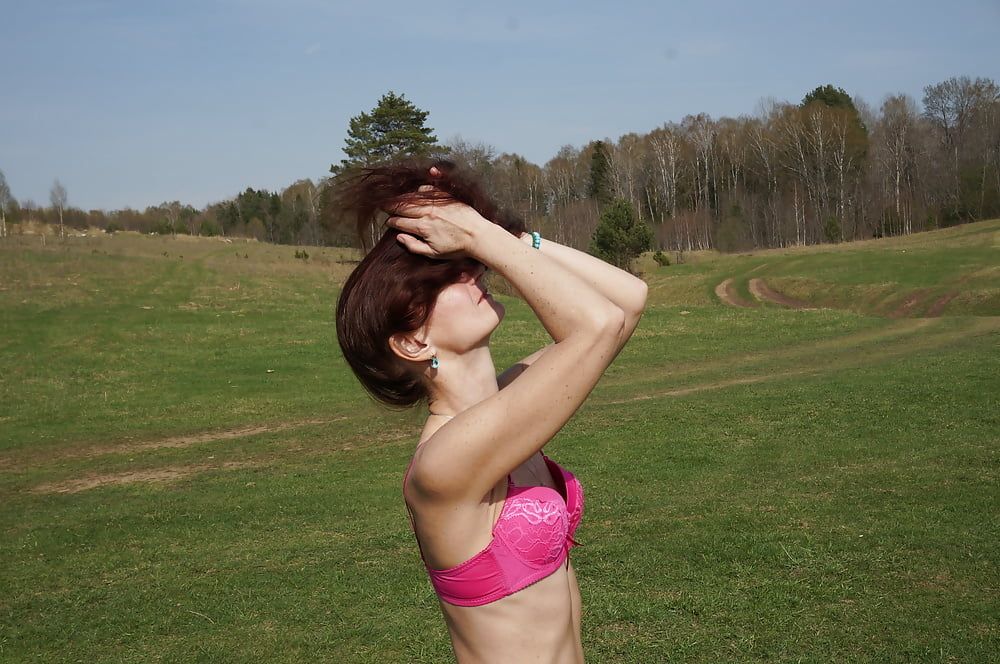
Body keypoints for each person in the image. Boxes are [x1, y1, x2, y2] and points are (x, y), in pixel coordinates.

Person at [334, 160, 647, 663]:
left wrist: (504, 236)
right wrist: (479, 235)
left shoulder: (507, 403)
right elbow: (597, 323)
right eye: (449, 275)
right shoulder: (442, 464)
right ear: (414, 342)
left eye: (467, 260)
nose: (474, 269)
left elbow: (627, 301)